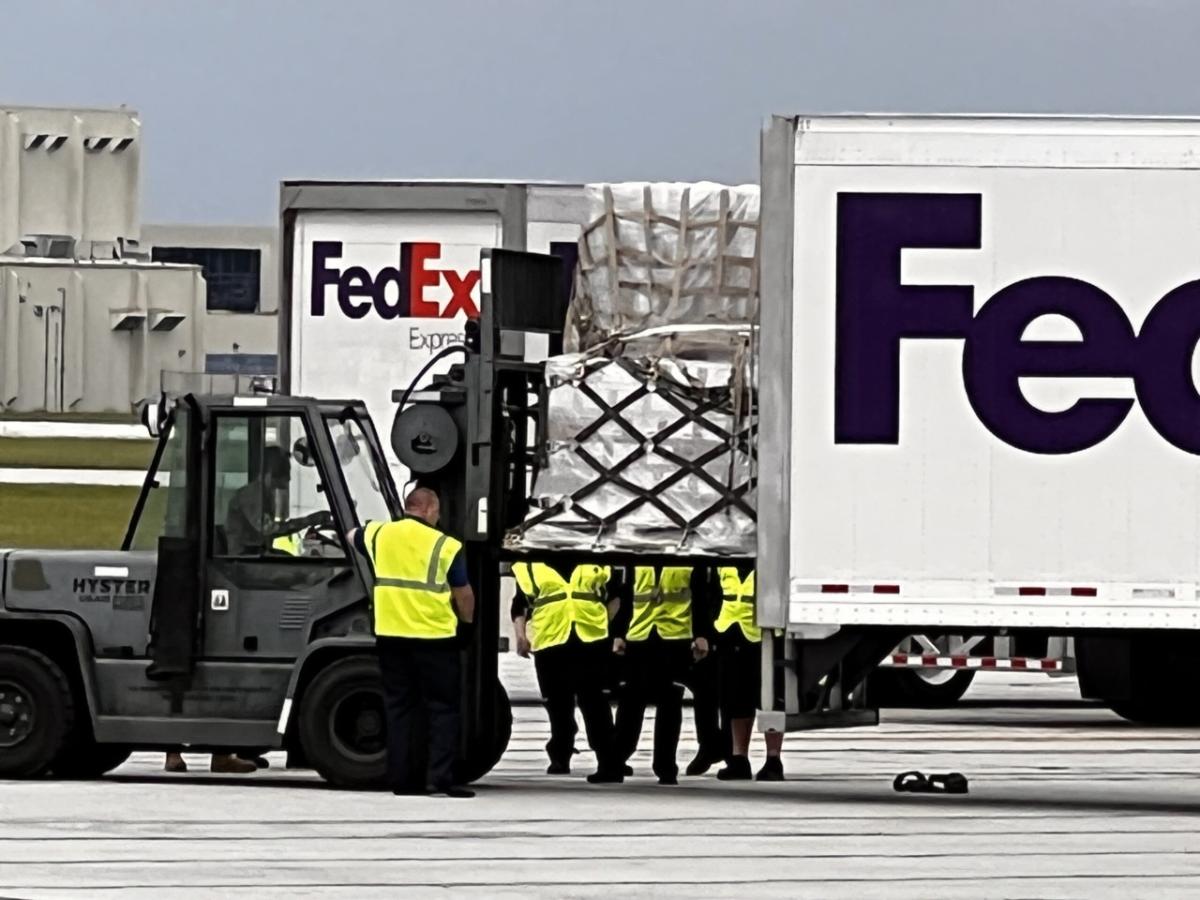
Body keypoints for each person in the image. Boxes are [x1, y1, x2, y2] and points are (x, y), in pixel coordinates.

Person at [348, 487, 476, 798]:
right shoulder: (446, 545)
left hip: (391, 637)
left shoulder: (380, 535)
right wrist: (468, 627)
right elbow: (464, 594)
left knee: (399, 707)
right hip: (435, 639)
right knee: (442, 710)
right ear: (431, 510)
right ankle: (440, 778)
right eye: (438, 511)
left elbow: (352, 534)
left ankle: (403, 780)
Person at [510, 558, 624, 783]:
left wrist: (609, 628)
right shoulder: (529, 565)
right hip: (550, 639)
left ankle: (608, 762)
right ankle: (560, 755)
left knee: (594, 702)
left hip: (590, 639)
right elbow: (519, 604)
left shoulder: (597, 558)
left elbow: (616, 596)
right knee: (557, 703)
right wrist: (521, 636)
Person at [611, 565, 715, 785]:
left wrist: (702, 634)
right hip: (640, 635)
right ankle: (616, 761)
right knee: (630, 702)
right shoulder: (638, 557)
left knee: (669, 704)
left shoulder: (689, 559)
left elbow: (700, 598)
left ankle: (666, 767)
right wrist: (619, 633)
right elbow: (628, 595)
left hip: (674, 637)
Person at [714, 563, 784, 781]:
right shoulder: (725, 556)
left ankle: (773, 759)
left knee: (769, 699)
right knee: (735, 699)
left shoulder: (770, 556)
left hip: (765, 633)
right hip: (730, 630)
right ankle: (739, 758)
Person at [225, 445, 330, 557]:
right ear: (271, 474)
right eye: (286, 472)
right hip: (244, 557)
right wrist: (310, 520)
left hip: (257, 553)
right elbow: (270, 530)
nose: (289, 479)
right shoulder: (252, 496)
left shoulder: (265, 494)